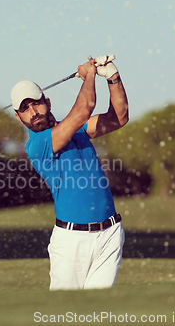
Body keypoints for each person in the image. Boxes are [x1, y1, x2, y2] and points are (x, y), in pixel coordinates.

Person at [11, 55, 129, 290]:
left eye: (36, 103)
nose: (33, 112)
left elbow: (120, 118)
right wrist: (89, 75)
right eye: (25, 109)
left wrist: (113, 77)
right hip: (71, 241)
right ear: (18, 117)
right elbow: (84, 108)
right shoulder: (37, 145)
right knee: (65, 313)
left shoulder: (78, 130)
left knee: (97, 313)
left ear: (48, 102)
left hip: (110, 234)